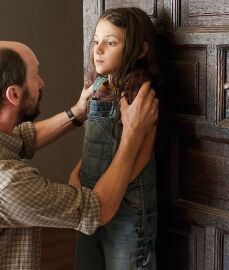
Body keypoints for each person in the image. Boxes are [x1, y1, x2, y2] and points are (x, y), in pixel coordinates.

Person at [0, 40, 158, 269]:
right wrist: (133, 134)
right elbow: (99, 209)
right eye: (34, 76)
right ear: (13, 94)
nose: (41, 82)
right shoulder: (5, 186)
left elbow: (21, 138)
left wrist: (77, 113)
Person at [70, 7, 159, 270]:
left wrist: (107, 192)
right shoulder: (95, 85)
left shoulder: (139, 92)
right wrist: (78, 173)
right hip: (91, 197)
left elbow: (142, 155)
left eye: (110, 43)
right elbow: (93, 144)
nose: (98, 50)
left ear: (140, 51)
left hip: (126, 204)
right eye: (96, 41)